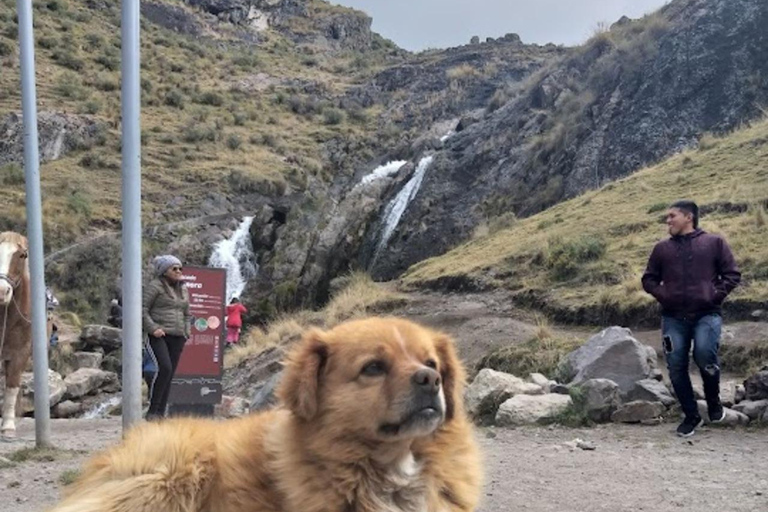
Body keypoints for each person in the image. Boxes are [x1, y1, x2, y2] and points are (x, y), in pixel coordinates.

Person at [642, 200, 741, 437]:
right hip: (673, 317)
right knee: (675, 365)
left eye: (672, 216)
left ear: (689, 217)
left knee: (705, 353)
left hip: (707, 314)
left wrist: (714, 295)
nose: (668, 221)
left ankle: (714, 402)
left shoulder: (714, 243)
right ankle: (691, 415)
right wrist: (664, 295)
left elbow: (732, 274)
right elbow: (648, 280)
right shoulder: (661, 249)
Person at [142, 255, 190, 421]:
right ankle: (152, 411)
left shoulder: (183, 289)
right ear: (164, 271)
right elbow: (142, 308)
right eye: (174, 268)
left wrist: (186, 332)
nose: (178, 271)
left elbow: (187, 313)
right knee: (165, 368)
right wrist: (153, 328)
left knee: (169, 374)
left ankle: (160, 414)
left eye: (180, 268)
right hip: (159, 335)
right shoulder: (155, 286)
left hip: (178, 337)